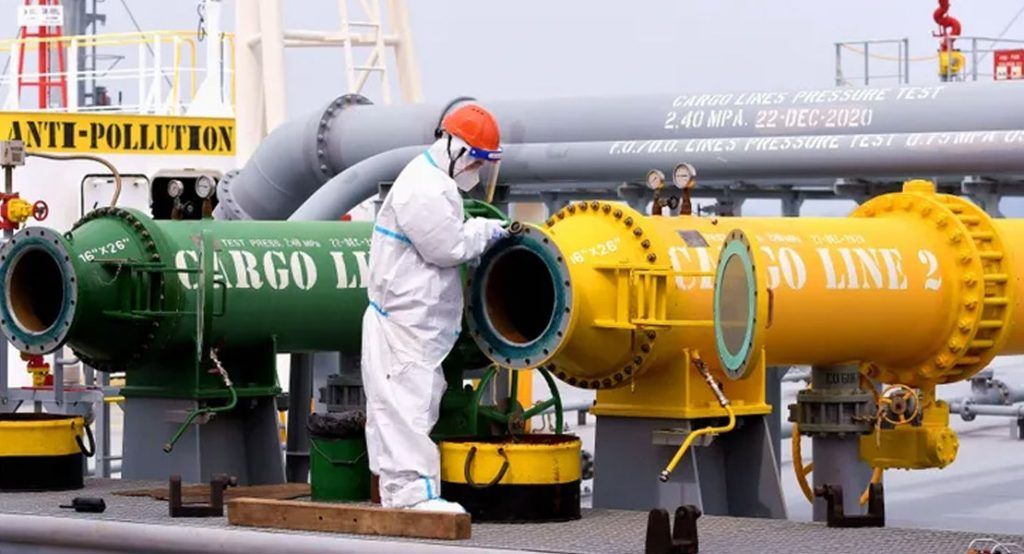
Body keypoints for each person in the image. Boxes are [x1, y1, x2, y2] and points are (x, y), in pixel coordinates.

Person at [360, 104, 507, 513]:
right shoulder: (425, 187)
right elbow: (447, 247)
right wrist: (485, 232)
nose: (477, 170)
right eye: (476, 160)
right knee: (408, 407)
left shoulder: (434, 181)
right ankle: (414, 497)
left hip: (410, 323)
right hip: (405, 324)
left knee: (400, 407)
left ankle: (397, 494)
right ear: (455, 147)